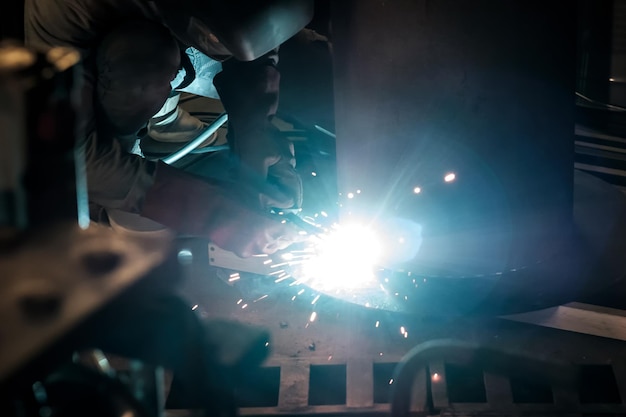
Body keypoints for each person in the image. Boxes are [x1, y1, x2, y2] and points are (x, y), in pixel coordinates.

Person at [24, 0, 313, 257]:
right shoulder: (65, 9)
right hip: (125, 62)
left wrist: (255, 126)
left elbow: (258, 41)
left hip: (195, 44)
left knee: (319, 87)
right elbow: (71, 155)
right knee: (143, 54)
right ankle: (125, 169)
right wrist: (214, 213)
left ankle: (166, 117)